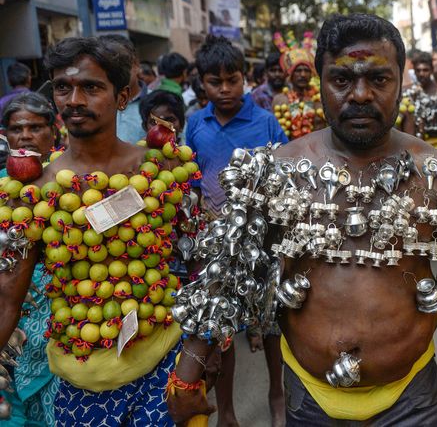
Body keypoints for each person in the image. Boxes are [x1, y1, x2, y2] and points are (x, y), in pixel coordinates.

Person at [167, 12, 437, 427]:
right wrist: (189, 371)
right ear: (320, 81)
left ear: (401, 82)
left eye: (379, 80)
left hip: (412, 401)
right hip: (307, 400)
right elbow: (229, 275)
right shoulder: (276, 170)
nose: (360, 95)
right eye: (342, 80)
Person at [0, 36, 200, 426]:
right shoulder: (33, 193)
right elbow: (7, 298)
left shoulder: (159, 170)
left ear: (122, 96)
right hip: (80, 385)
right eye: (63, 87)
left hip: (163, 369)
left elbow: (204, 269)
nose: (74, 100)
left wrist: (200, 360)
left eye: (90, 87)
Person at [184, 33, 288, 426]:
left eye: (233, 79)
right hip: (216, 244)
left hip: (263, 238)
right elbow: (191, 181)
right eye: (215, 81)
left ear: (245, 78)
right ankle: (225, 411)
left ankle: (277, 394)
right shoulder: (196, 124)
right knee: (221, 328)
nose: (225, 89)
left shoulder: (265, 121)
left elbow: (285, 175)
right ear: (202, 83)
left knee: (272, 322)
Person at [0, 92, 59, 426]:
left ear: (54, 133)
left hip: (59, 320)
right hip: (11, 321)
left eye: (35, 127)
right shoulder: (1, 189)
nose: (25, 135)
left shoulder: (70, 185)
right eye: (16, 128)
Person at [271, 31, 326, 139]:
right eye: (298, 70)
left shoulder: (321, 99)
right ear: (290, 74)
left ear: (311, 74)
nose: (303, 74)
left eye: (306, 70)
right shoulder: (279, 100)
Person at [401, 51, 437, 151]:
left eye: (425, 70)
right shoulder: (410, 94)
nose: (421, 74)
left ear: (432, 70)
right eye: (418, 70)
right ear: (414, 71)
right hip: (416, 150)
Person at [101, 34, 149, 144]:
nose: (113, 72)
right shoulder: (93, 105)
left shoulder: (159, 103)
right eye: (106, 67)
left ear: (136, 65)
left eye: (120, 65)